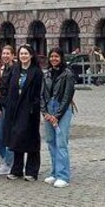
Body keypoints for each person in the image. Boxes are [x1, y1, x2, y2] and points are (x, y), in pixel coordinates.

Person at [4, 45, 43, 182]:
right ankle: (17, 169)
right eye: (21, 54)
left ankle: (32, 170)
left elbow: (39, 93)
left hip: (30, 110)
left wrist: (34, 107)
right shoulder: (15, 70)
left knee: (31, 139)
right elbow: (7, 86)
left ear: (31, 55)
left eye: (26, 54)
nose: (24, 56)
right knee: (17, 139)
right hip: (15, 109)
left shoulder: (37, 72)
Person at [41, 48, 76, 188]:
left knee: (61, 142)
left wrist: (57, 115)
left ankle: (63, 175)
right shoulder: (47, 74)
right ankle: (54, 172)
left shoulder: (67, 74)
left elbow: (67, 96)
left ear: (61, 58)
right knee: (51, 141)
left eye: (56, 56)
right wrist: (44, 111)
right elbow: (42, 94)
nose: (54, 59)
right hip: (49, 108)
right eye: (52, 56)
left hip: (62, 109)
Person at [0, 45, 15, 175]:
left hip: (11, 107)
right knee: (0, 135)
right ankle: (6, 162)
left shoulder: (15, 69)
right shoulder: (5, 69)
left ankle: (11, 163)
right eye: (4, 53)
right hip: (3, 106)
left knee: (9, 136)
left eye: (8, 53)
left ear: (13, 55)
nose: (6, 56)